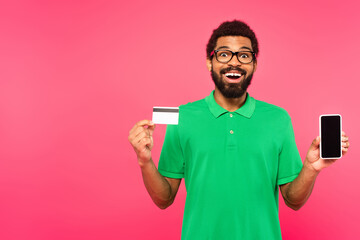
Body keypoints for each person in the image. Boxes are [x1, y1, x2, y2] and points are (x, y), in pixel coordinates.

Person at [128, 20, 350, 240]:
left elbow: (293, 200)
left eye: (244, 55)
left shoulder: (278, 119)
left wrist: (311, 167)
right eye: (224, 54)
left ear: (254, 64)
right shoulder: (182, 117)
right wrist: (145, 161)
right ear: (209, 62)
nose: (234, 62)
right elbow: (164, 198)